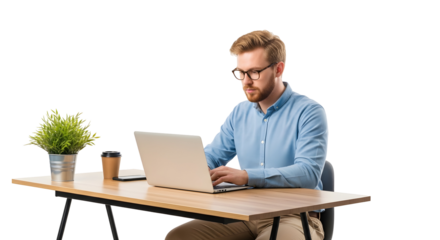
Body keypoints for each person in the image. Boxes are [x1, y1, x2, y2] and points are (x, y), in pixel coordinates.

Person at [163, 29, 329, 240]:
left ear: (279, 69)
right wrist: (200, 168)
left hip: (294, 216)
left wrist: (247, 176)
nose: (245, 81)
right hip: (242, 212)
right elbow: (212, 155)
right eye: (239, 73)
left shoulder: (310, 111)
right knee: (178, 237)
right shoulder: (239, 112)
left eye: (254, 72)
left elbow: (308, 174)